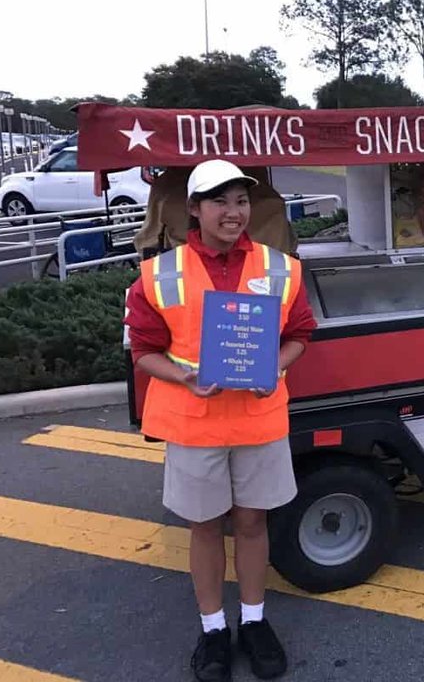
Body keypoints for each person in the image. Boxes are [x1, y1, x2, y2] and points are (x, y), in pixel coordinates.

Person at [125, 159, 317, 681]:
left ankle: (253, 621)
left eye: (240, 201)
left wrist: (273, 367)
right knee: (205, 527)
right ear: (194, 209)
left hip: (257, 419)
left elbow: (300, 334)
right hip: (194, 422)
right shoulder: (159, 274)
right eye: (219, 202)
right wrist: (187, 377)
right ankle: (213, 628)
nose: (233, 213)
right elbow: (143, 350)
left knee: (254, 523)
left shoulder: (282, 268)